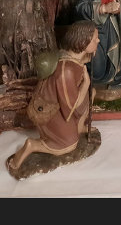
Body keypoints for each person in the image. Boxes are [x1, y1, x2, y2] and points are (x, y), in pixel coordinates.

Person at [10, 21, 99, 170]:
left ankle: (78, 127)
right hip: (50, 112)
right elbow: (73, 105)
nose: (98, 40)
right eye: (95, 38)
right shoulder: (66, 71)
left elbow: (83, 59)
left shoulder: (70, 55)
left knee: (92, 93)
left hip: (62, 104)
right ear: (84, 41)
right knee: (69, 144)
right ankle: (33, 145)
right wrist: (86, 83)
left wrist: (90, 53)